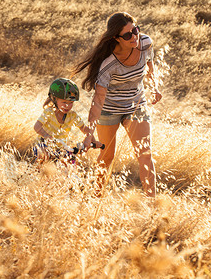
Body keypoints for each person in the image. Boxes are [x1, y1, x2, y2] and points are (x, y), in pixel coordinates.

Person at [71, 12, 162, 197]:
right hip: (109, 110)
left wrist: (154, 87)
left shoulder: (145, 43)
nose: (134, 36)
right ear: (116, 38)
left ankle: (153, 205)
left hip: (136, 105)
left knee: (145, 154)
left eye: (135, 30)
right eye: (127, 35)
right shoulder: (108, 64)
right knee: (107, 157)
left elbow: (150, 65)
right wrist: (89, 134)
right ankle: (96, 198)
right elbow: (98, 101)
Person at [33, 78, 98, 163]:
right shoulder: (49, 112)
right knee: (44, 156)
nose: (68, 106)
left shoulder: (72, 115)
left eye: (71, 103)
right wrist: (47, 136)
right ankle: (38, 172)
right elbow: (36, 126)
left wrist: (92, 140)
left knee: (71, 161)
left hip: (62, 148)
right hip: (44, 145)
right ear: (55, 99)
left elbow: (84, 129)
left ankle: (69, 175)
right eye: (64, 102)